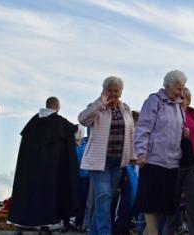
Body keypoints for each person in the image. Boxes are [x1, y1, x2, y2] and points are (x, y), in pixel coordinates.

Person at [8, 97, 79, 232]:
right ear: (57, 106)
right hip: (51, 169)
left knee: (31, 194)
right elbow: (76, 131)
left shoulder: (33, 122)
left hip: (30, 170)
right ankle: (46, 224)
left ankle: (24, 222)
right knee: (48, 196)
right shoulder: (59, 122)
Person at [78, 77, 135, 235]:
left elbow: (131, 133)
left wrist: (132, 155)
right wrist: (100, 103)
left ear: (121, 92)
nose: (113, 93)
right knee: (104, 196)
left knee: (105, 200)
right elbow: (82, 119)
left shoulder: (126, 109)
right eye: (110, 90)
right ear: (104, 91)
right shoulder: (96, 107)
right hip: (98, 162)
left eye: (116, 90)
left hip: (118, 162)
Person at [134, 70, 187, 235]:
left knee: (162, 206)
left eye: (182, 88)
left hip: (172, 162)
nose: (180, 92)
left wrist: (184, 132)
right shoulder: (154, 101)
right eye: (178, 88)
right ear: (167, 86)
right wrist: (141, 152)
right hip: (153, 159)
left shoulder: (179, 106)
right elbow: (143, 127)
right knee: (151, 203)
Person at [172, 87, 194, 235]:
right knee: (171, 204)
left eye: (183, 98)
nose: (180, 100)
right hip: (174, 163)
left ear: (188, 100)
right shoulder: (170, 113)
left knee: (193, 205)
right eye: (177, 97)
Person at [74, 127, 90, 231]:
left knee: (85, 201)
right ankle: (78, 223)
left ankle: (82, 223)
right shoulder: (70, 145)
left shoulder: (87, 143)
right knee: (79, 201)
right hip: (76, 177)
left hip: (87, 176)